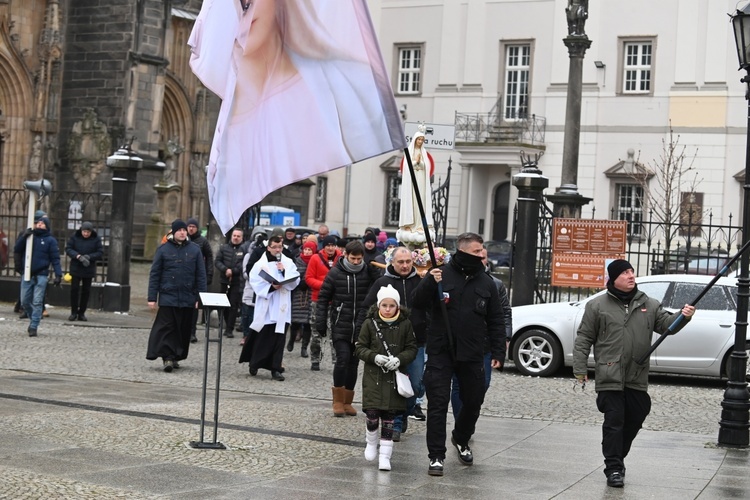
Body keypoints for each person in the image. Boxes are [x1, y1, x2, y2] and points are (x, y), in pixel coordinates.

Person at [573, 259, 695, 488]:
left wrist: (684, 315)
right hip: (609, 375)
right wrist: (580, 369)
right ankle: (614, 468)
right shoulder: (597, 306)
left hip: (637, 374)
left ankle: (617, 457)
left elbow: (668, 325)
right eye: (625, 272)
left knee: (637, 416)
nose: (631, 275)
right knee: (614, 422)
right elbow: (584, 339)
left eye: (631, 271)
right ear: (614, 278)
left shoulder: (649, 303)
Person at [411, 232, 506, 477]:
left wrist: (498, 351)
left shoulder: (486, 283)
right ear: (463, 251)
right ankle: (436, 456)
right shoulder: (440, 274)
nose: (482, 255)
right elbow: (417, 302)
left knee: (473, 401)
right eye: (477, 251)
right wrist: (429, 281)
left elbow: (495, 319)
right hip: (441, 351)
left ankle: (461, 438)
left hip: (473, 351)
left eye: (482, 251)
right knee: (438, 404)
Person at [363, 246, 428, 440]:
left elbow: (430, 306)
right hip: (388, 343)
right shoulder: (383, 282)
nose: (405, 265)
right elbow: (368, 309)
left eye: (408, 261)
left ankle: (405, 412)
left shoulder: (420, 281)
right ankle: (396, 423)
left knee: (415, 384)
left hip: (416, 341)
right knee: (394, 385)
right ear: (392, 262)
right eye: (401, 262)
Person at [354, 284, 417, 471]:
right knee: (372, 415)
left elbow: (412, 348)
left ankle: (385, 456)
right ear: (379, 305)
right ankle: (371, 442)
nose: (388, 309)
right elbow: (359, 347)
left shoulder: (405, 324)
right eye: (384, 305)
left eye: (392, 306)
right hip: (374, 377)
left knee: (389, 417)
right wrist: (375, 357)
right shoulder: (369, 323)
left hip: (393, 379)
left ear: (397, 306)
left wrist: (400, 359)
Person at [450, 246, 513, 418]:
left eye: (483, 256)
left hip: (485, 343)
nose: (480, 259)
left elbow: (504, 313)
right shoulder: (457, 278)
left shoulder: (495, 284)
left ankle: (468, 416)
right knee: (458, 384)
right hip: (462, 342)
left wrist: (505, 337)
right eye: (476, 255)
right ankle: (460, 422)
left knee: (482, 384)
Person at [316, 240, 375, 417]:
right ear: (346, 255)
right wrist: (320, 321)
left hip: (361, 326)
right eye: (353, 258)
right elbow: (323, 298)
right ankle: (338, 401)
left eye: (359, 259)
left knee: (354, 363)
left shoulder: (367, 272)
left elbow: (380, 285)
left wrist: (375, 272)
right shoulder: (335, 273)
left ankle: (348, 401)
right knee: (342, 359)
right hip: (340, 323)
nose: (356, 262)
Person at [146, 219, 207, 372]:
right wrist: (152, 297)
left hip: (188, 297)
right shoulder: (163, 249)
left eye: (184, 230)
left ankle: (176, 356)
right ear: (173, 232)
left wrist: (200, 298)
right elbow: (155, 274)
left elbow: (201, 275)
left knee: (182, 329)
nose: (182, 232)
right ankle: (167, 357)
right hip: (168, 296)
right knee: (167, 328)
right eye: (179, 230)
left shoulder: (195, 250)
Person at [239, 235, 299, 381]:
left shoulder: (287, 261)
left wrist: (284, 273)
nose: (278, 250)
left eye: (280, 247)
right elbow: (255, 280)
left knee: (279, 337)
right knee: (263, 336)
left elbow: (296, 278)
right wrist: (271, 287)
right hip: (268, 303)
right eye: (275, 247)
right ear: (269, 248)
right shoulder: (261, 264)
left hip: (282, 304)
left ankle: (275, 368)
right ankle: (254, 363)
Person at [14, 214, 63, 336]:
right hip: (27, 274)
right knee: (25, 300)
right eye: (38, 223)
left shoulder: (50, 240)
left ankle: (34, 325)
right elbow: (17, 249)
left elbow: (55, 259)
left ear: (46, 226)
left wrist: (58, 274)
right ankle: (33, 318)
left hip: (41, 275)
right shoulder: (29, 237)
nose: (39, 224)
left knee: (37, 302)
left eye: (42, 223)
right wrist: (24, 237)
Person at [305, 234, 341, 370]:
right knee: (316, 331)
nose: (330, 248)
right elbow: (308, 278)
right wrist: (325, 285)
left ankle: (336, 361)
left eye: (332, 245)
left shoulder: (341, 259)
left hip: (336, 301)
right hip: (318, 300)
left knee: (335, 332)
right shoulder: (315, 258)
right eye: (328, 245)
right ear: (324, 246)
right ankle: (315, 359)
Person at [397, 125, 435, 246]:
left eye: (422, 140)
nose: (420, 142)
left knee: (421, 204)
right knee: (412, 202)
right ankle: (410, 224)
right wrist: (415, 162)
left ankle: (419, 225)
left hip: (421, 182)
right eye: (419, 140)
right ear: (415, 140)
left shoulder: (424, 153)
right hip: (412, 184)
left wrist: (421, 163)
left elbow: (426, 167)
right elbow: (407, 167)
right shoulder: (409, 152)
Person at [64, 221, 103, 321]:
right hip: (76, 266)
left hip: (88, 268)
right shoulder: (75, 237)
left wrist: (89, 257)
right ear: (81, 231)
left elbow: (100, 252)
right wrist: (77, 256)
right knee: (74, 290)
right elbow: (68, 248)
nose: (86, 234)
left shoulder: (96, 239)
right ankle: (73, 312)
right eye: (84, 232)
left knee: (86, 291)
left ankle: (81, 312)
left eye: (88, 232)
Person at [214, 227, 246, 338]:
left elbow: (243, 265)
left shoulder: (243, 249)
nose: (236, 238)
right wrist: (225, 269)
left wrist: (233, 271)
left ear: (242, 238)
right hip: (224, 280)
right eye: (234, 236)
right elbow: (217, 261)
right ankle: (226, 323)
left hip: (237, 281)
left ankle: (229, 329)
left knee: (233, 305)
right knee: (223, 305)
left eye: (238, 236)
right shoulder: (224, 248)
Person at [187, 217, 214, 342]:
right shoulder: (184, 239)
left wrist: (209, 274)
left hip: (198, 277)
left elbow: (209, 258)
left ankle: (192, 332)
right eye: (189, 226)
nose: (191, 229)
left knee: (195, 307)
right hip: (186, 276)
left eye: (193, 226)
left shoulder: (203, 241)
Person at [288, 240, 316, 357]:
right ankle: (291, 340)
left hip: (310, 293)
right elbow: (293, 274)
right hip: (298, 293)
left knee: (308, 323)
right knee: (295, 321)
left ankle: (304, 347)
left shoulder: (315, 261)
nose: (307, 251)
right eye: (306, 249)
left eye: (310, 250)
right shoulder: (297, 261)